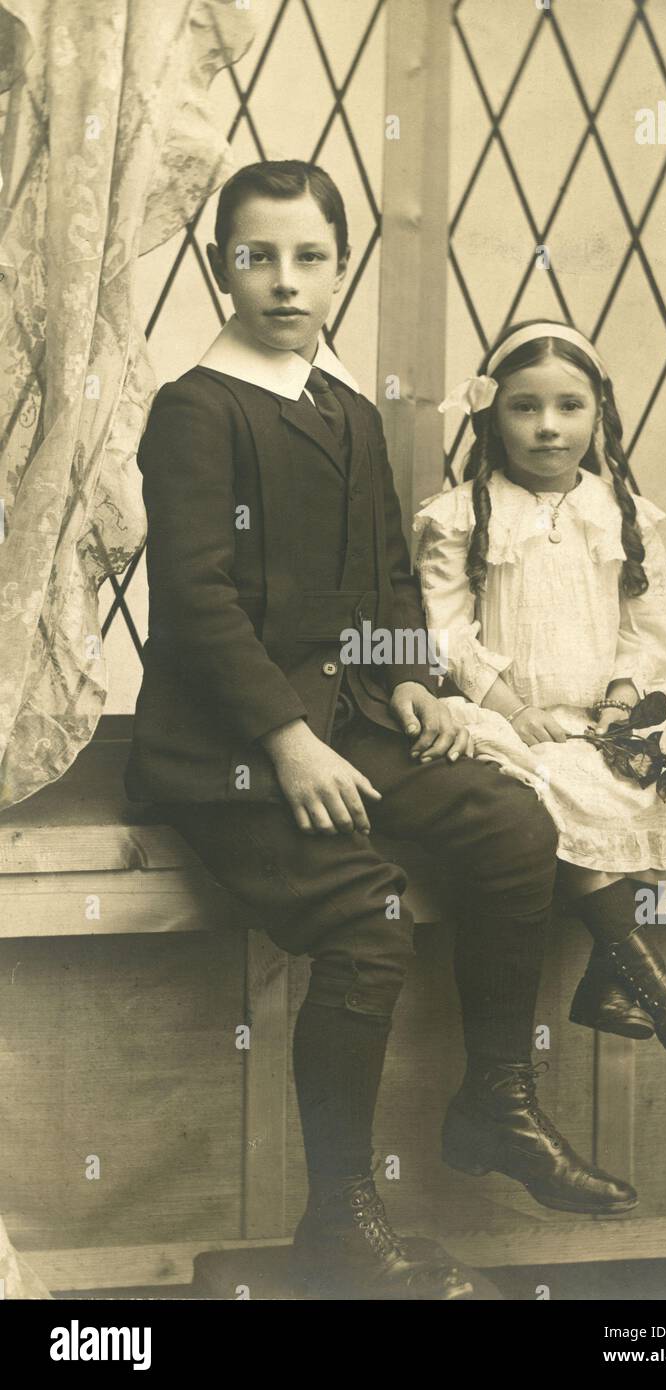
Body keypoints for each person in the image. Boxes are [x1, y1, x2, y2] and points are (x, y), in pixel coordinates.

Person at [124, 168, 637, 1302]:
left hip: (351, 716)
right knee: (365, 919)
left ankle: (493, 1100)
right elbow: (199, 599)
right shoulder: (197, 409)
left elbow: (385, 576)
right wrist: (285, 738)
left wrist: (407, 677)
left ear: (340, 267)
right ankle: (340, 1220)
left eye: (309, 257)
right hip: (229, 744)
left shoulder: (342, 405)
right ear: (220, 269)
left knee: (509, 821)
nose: (284, 281)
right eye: (257, 257)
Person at [413, 320, 666, 1054]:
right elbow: (446, 631)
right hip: (510, 720)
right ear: (492, 414)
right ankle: (651, 982)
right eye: (524, 407)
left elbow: (646, 625)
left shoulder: (622, 516)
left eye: (568, 406)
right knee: (563, 787)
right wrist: (514, 709)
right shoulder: (460, 518)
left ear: (598, 411)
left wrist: (619, 701)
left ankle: (613, 978)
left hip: (600, 714)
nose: (549, 427)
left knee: (661, 776)